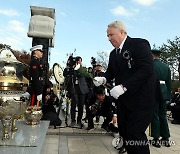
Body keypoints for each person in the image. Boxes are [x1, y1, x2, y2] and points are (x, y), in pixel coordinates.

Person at [93, 20, 156, 154]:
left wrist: (123, 86)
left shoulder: (139, 44)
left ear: (122, 32)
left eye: (111, 35)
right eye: (107, 36)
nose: (109, 38)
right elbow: (111, 72)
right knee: (126, 134)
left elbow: (146, 69)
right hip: (124, 102)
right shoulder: (113, 54)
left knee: (135, 134)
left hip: (141, 100)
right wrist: (103, 78)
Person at [150, 49, 171, 148]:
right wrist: (168, 95)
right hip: (164, 92)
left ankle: (156, 139)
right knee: (163, 115)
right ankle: (166, 138)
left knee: (155, 115)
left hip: (154, 92)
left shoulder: (150, 65)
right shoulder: (166, 67)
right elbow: (169, 83)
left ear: (152, 55)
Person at [63, 56, 92, 128]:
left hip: (82, 89)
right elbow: (65, 74)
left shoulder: (83, 68)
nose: (78, 62)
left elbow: (85, 75)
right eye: (77, 61)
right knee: (73, 105)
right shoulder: (71, 69)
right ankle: (73, 120)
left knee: (81, 105)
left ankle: (79, 120)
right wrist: (68, 67)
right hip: (73, 89)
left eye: (79, 61)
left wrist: (78, 68)